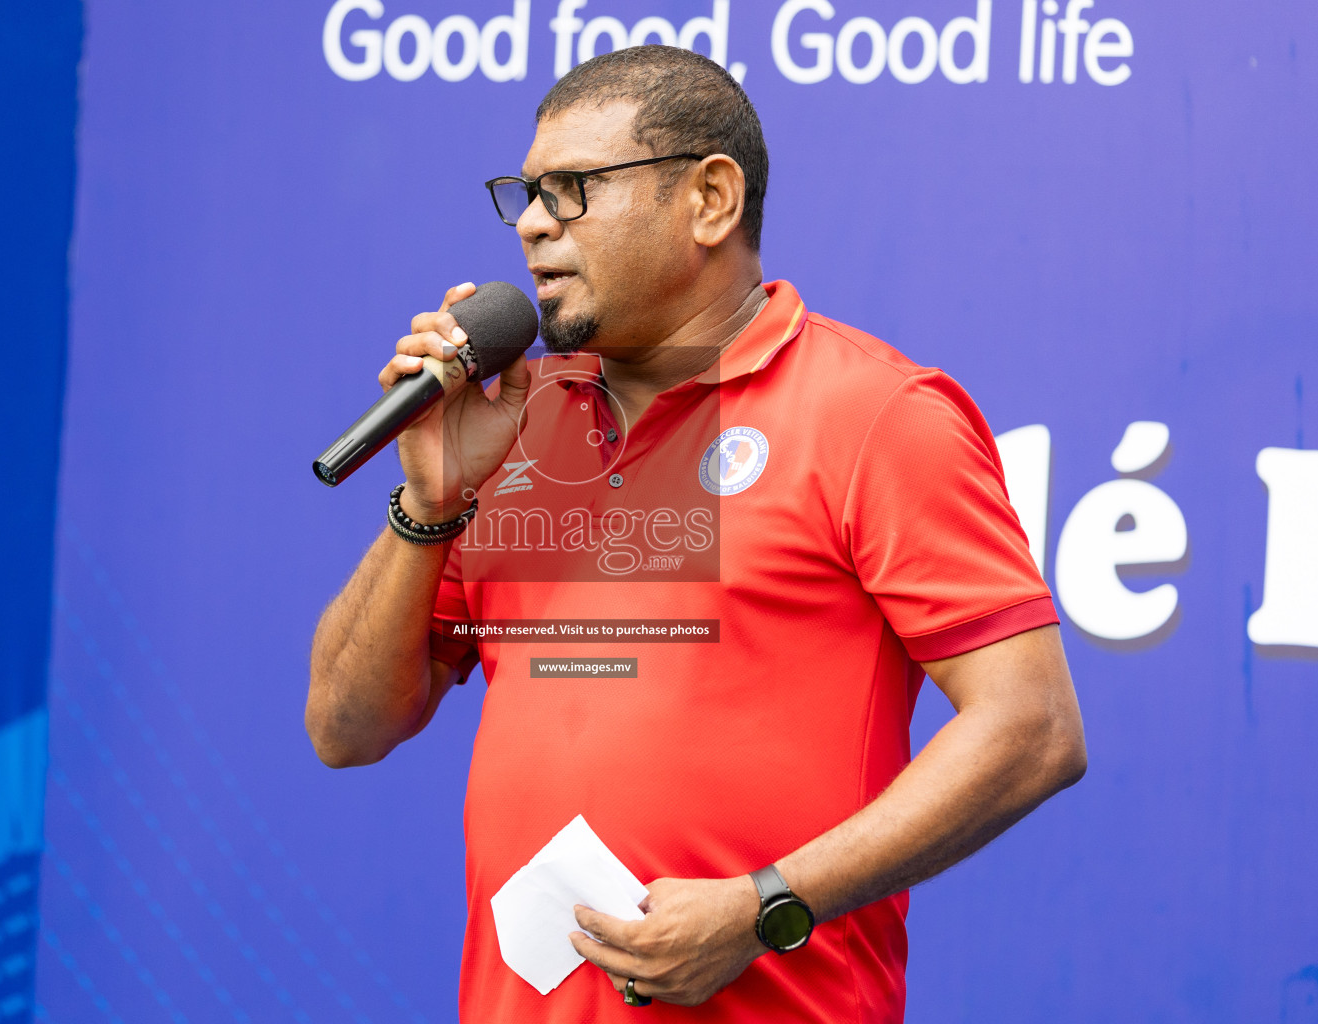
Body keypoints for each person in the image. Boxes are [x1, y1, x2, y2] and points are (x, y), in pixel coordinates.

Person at [307, 45, 1086, 1022]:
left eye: (575, 188)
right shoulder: (512, 422)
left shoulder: (878, 414)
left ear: (711, 200)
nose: (537, 223)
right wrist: (431, 499)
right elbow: (345, 728)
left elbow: (1033, 729)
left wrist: (765, 907)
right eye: (527, 195)